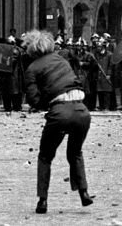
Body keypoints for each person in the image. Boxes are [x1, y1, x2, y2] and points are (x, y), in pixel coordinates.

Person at [23, 29, 94, 214]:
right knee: (75, 152)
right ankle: (84, 192)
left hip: (59, 113)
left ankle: (43, 201)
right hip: (81, 110)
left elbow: (34, 99)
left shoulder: (32, 68)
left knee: (45, 156)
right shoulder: (62, 60)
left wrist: (40, 104)